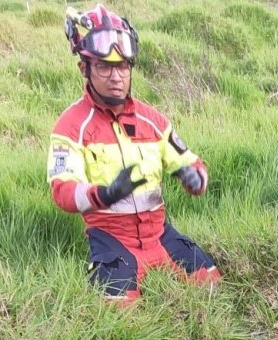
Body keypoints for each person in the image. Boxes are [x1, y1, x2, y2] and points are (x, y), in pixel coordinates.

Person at [48, 4, 221, 303]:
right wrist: (104, 194)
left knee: (213, 287)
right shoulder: (71, 126)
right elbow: (61, 191)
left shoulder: (153, 119)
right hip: (112, 239)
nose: (116, 76)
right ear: (84, 69)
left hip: (160, 234)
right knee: (120, 316)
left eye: (123, 66)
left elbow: (190, 161)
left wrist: (196, 177)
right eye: (104, 66)